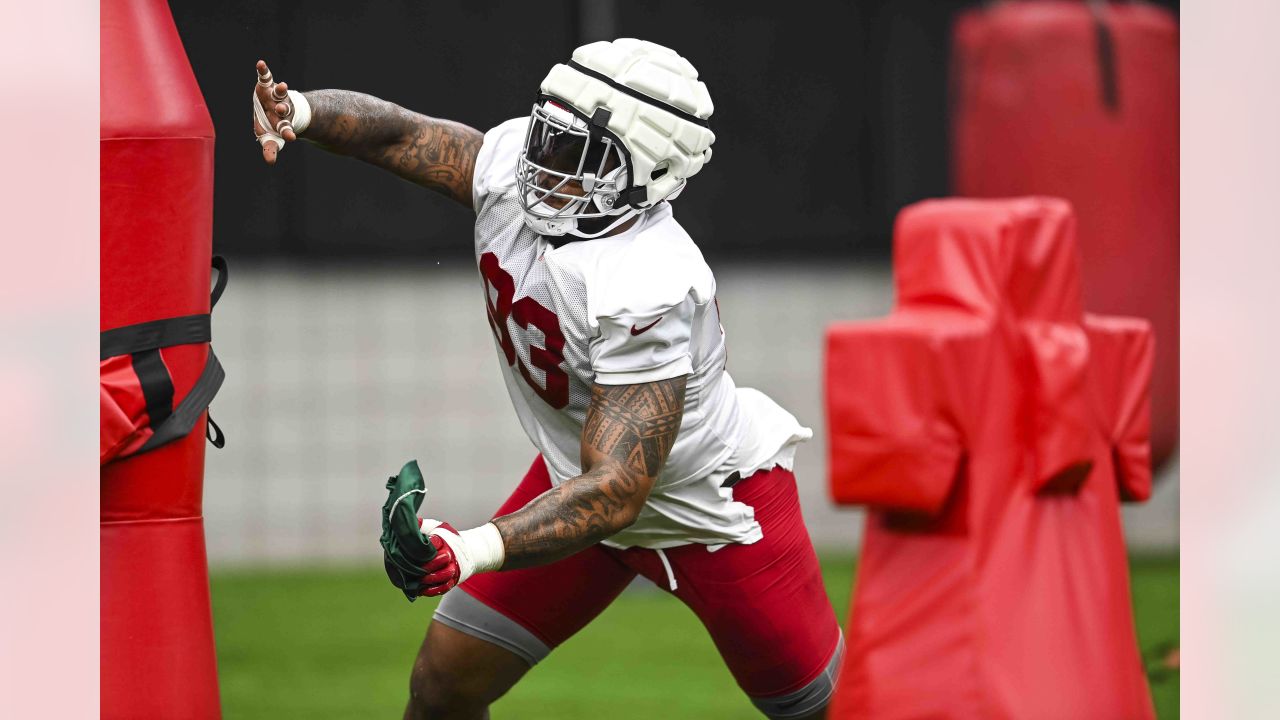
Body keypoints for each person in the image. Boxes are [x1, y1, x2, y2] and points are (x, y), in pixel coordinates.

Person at [253, 38, 842, 720]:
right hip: (579, 481)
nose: (538, 162)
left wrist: (470, 547)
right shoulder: (511, 167)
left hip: (707, 510)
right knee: (444, 683)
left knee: (824, 712)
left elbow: (619, 489)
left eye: (571, 152)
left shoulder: (649, 280)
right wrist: (300, 110)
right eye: (546, 135)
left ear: (642, 175)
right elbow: (402, 134)